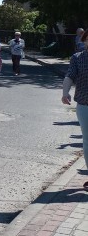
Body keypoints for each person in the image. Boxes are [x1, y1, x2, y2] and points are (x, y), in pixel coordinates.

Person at [62, 30, 88, 190]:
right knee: (87, 141)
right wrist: (65, 92)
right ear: (84, 41)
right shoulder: (78, 58)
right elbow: (70, 76)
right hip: (84, 104)